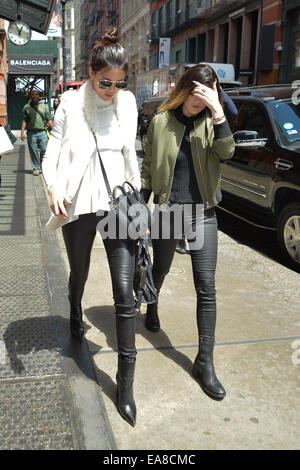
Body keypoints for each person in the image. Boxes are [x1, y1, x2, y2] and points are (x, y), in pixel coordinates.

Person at [41, 29, 140, 427]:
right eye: (104, 82)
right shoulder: (69, 102)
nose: (112, 90)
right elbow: (51, 151)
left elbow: (131, 154)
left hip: (118, 204)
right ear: (90, 73)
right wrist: (52, 186)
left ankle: (126, 384)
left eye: (119, 83)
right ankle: (75, 309)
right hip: (79, 204)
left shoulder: (128, 104)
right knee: (79, 273)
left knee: (124, 292)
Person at [140, 64, 235, 401]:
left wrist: (219, 112)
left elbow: (227, 153)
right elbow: (148, 169)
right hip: (167, 212)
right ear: (184, 88)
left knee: (206, 287)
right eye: (195, 91)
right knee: (160, 269)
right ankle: (152, 305)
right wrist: (141, 207)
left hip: (203, 214)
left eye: (206, 93)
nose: (199, 99)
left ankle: (204, 361)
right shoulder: (161, 122)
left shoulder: (213, 122)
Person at [175, 87, 238, 255]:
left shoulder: (214, 105)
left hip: (215, 141)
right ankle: (180, 236)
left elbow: (233, 110)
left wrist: (216, 91)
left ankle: (184, 234)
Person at [21, 90, 53, 175]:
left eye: (36, 94)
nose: (34, 96)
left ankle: (43, 166)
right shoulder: (26, 107)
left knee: (44, 149)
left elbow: (49, 118)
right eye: (32, 94)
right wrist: (22, 132)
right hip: (31, 133)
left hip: (42, 132)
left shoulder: (44, 106)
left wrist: (53, 129)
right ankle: (36, 168)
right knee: (33, 151)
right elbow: (24, 120)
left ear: (39, 96)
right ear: (30, 96)